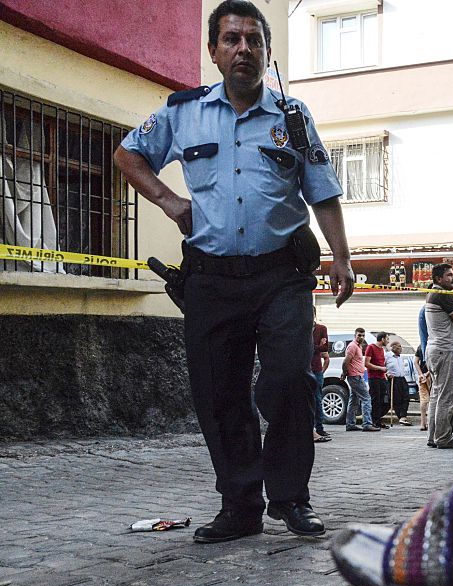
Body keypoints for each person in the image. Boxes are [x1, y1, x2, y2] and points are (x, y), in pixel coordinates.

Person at [113, 0, 354, 543]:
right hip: (211, 280)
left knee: (290, 379)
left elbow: (324, 192)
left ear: (267, 54)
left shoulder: (292, 119)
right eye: (232, 39)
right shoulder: (182, 112)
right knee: (219, 393)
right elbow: (128, 155)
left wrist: (341, 257)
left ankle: (290, 499)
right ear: (214, 51)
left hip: (281, 275)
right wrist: (171, 203)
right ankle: (240, 505)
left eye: (254, 40)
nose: (243, 48)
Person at [424, 263, 453, 448]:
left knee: (437, 395)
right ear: (438, 279)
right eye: (449, 275)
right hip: (446, 352)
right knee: (447, 397)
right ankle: (443, 438)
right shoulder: (443, 295)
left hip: (436, 350)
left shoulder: (434, 294)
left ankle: (434, 437)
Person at [344, 328, 379, 432]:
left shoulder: (358, 346)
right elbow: (346, 361)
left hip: (357, 375)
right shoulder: (352, 346)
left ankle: (350, 424)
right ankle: (367, 424)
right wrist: (344, 372)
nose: (361, 337)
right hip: (355, 376)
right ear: (355, 335)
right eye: (359, 335)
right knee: (366, 398)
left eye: (363, 335)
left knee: (354, 400)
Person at [311, 307, 331, 443]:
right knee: (308, 399)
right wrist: (317, 346)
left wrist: (312, 347)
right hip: (304, 368)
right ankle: (311, 429)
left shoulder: (321, 328)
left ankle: (319, 427)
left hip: (316, 368)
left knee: (318, 398)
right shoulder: (301, 328)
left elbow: (325, 348)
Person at [365, 332, 390, 429]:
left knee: (382, 400)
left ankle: (378, 420)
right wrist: (380, 368)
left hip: (382, 377)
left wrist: (385, 373)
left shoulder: (382, 350)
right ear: (382, 339)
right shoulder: (371, 347)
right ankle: (373, 421)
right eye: (387, 339)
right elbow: (367, 363)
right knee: (375, 400)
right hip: (374, 377)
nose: (388, 341)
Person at [386, 340, 412, 426]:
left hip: (402, 379)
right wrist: (387, 374)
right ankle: (401, 417)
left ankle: (403, 416)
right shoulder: (387, 356)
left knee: (406, 397)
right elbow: (382, 367)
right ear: (393, 347)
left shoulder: (400, 357)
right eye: (399, 346)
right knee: (396, 399)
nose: (401, 348)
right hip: (393, 379)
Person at [414, 345, 431, 431]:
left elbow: (416, 362)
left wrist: (421, 374)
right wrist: (427, 373)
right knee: (433, 399)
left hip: (422, 376)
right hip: (431, 375)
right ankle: (429, 422)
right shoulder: (433, 344)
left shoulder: (420, 346)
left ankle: (422, 423)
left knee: (423, 400)